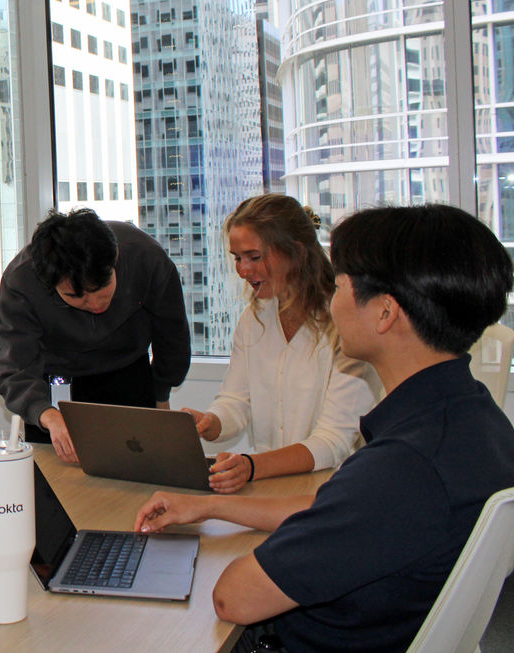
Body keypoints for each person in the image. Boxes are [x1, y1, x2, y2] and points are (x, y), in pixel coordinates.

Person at [134, 204, 514, 653]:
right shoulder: (476, 420)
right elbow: (330, 506)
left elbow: (233, 596)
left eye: (340, 286)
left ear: (385, 313)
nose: (332, 300)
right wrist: (209, 508)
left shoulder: (401, 469)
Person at [183, 194, 380, 493]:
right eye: (237, 258)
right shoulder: (255, 319)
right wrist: (212, 422)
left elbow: (334, 441)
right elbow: (236, 402)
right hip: (268, 487)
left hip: (333, 492)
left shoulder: (346, 326)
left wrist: (251, 465)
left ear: (296, 253)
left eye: (254, 257)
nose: (243, 270)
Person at [0, 208, 190, 463]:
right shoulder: (21, 281)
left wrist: (160, 394)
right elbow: (14, 369)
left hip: (128, 370)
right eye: (76, 296)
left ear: (115, 259)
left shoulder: (146, 257)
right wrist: (46, 414)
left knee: (139, 468)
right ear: (49, 284)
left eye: (102, 287)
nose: (95, 303)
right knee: (55, 479)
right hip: (57, 382)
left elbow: (172, 335)